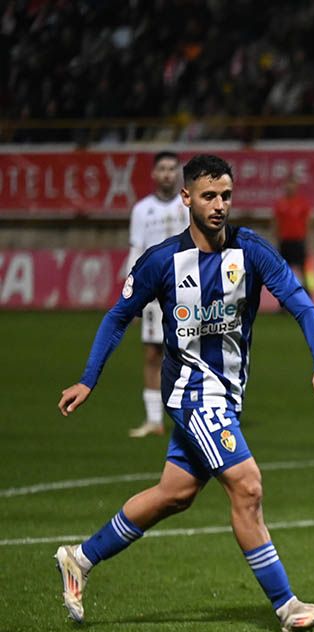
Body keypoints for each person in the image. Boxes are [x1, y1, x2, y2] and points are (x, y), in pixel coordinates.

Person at [55, 154, 314, 632]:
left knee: (175, 494)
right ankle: (288, 606)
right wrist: (89, 378)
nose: (219, 205)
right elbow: (117, 316)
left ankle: (79, 558)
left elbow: (301, 304)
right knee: (247, 486)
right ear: (187, 198)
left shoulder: (251, 251)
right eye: (209, 196)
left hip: (226, 395)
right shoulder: (162, 261)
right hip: (192, 395)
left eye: (225, 195)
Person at [127, 151, 189, 438]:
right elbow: (136, 250)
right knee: (153, 354)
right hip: (153, 292)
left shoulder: (188, 205)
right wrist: (131, 293)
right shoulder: (142, 210)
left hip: (187, 290)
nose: (167, 174)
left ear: (178, 173)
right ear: (154, 174)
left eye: (172, 168)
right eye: (162, 168)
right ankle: (154, 421)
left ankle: (190, 417)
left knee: (189, 354)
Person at [273, 176, 314, 295]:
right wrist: (276, 239)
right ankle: (284, 298)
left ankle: (308, 296)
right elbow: (275, 223)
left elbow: (309, 222)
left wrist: (309, 241)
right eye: (288, 185)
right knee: (283, 271)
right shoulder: (280, 204)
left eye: (292, 185)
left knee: (304, 270)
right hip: (285, 242)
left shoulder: (302, 203)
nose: (290, 188)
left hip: (299, 241)